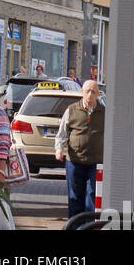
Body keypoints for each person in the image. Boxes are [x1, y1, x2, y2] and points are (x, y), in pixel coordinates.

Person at [55, 80, 104, 219]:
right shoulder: (71, 110)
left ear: (98, 94)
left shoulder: (104, 112)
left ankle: (89, 226)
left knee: (92, 195)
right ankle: (75, 226)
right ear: (82, 92)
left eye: (93, 92)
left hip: (96, 162)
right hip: (74, 161)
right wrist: (59, 149)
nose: (90, 95)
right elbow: (62, 134)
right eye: (87, 91)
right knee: (75, 197)